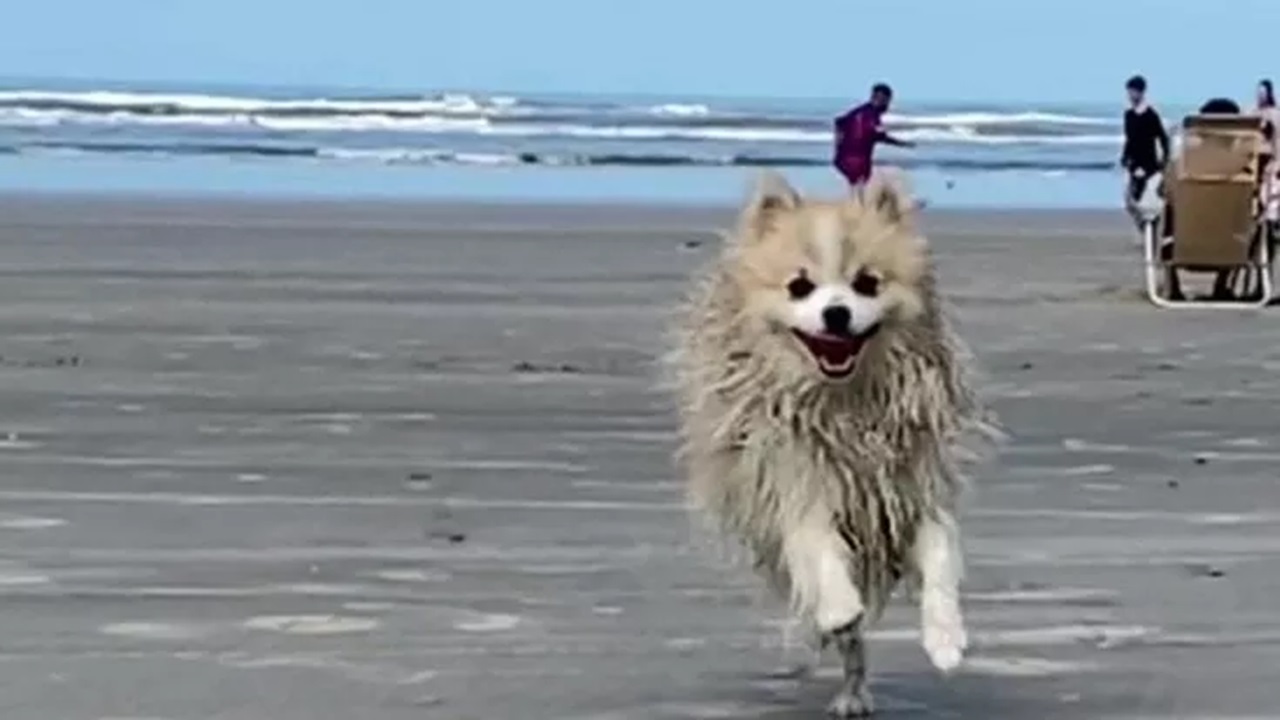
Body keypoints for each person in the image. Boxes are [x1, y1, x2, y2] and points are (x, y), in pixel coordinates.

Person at [832, 83, 914, 187]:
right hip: (858, 161)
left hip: (842, 159)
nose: (888, 105)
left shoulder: (858, 111)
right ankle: (860, 201)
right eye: (887, 101)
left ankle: (854, 201)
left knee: (857, 184)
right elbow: (881, 136)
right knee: (864, 181)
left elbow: (838, 123)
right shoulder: (872, 116)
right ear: (881, 99)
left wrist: (838, 148)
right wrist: (902, 144)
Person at [1120, 75, 1171, 217]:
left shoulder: (1151, 115)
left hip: (1148, 165)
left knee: (1147, 203)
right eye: (1129, 92)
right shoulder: (1128, 115)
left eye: (1133, 92)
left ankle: (1149, 231)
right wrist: (1124, 156)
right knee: (1129, 201)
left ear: (1141, 92)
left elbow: (1163, 138)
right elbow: (1129, 139)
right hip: (1132, 164)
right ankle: (1144, 228)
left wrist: (1165, 160)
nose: (1130, 95)